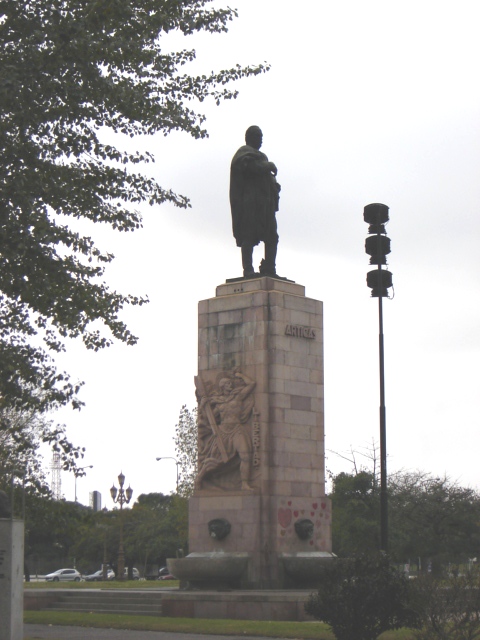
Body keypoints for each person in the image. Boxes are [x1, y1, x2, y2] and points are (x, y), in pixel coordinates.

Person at [229, 126, 281, 277]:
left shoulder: (262, 156)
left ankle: (269, 268)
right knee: (248, 236)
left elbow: (267, 177)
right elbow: (251, 168)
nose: (261, 139)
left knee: (272, 236)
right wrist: (267, 166)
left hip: (265, 204)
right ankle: (248, 270)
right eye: (258, 136)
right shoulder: (243, 154)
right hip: (250, 203)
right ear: (250, 137)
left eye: (261, 136)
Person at [195, 369, 256, 491]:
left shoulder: (238, 397)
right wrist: (203, 405)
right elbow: (209, 418)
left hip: (237, 430)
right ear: (222, 387)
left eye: (231, 383)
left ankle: (244, 484)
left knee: (245, 455)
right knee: (215, 461)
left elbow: (251, 384)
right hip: (222, 432)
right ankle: (199, 479)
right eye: (228, 383)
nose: (231, 385)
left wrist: (240, 375)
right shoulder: (219, 403)